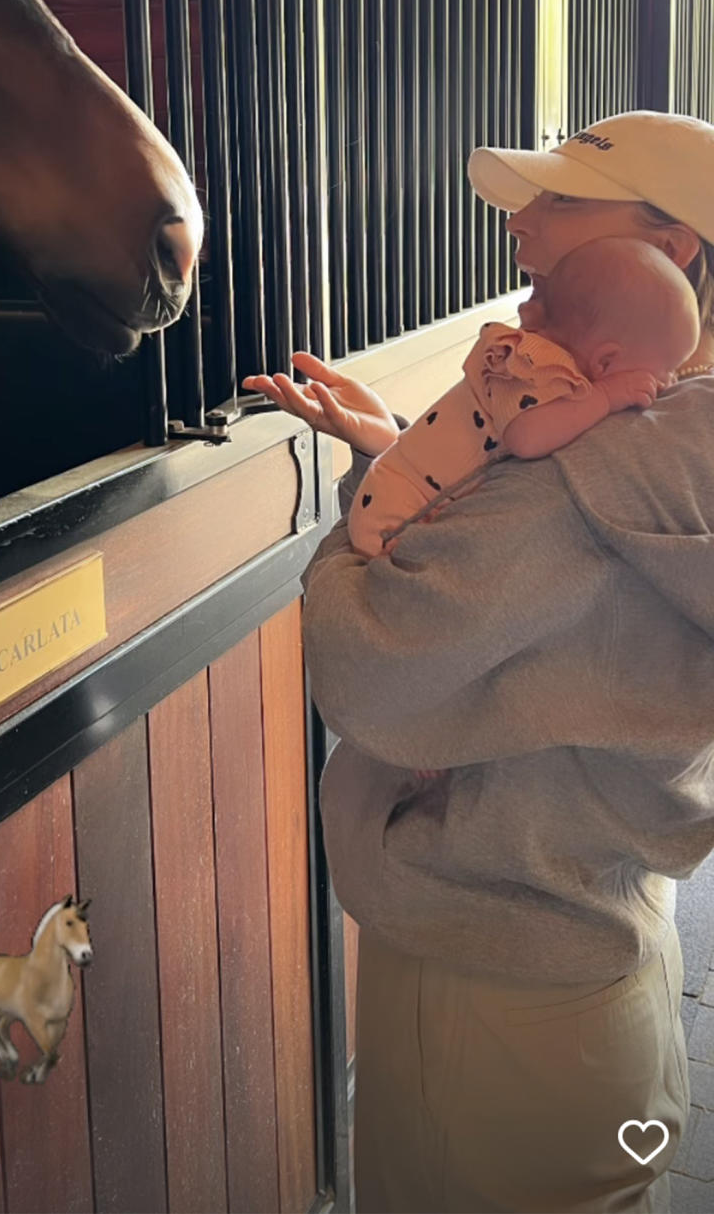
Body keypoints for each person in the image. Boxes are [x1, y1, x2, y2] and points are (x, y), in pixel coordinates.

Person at [242, 109, 714, 1213]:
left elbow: (370, 663)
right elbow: (565, 596)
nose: (524, 224)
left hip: (496, 1002)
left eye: (561, 201)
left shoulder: (592, 473)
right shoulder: (661, 433)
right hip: (604, 961)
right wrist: (415, 450)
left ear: (676, 246)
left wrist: (369, 519)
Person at [348, 235, 700, 557]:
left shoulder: (563, 372)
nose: (668, 380)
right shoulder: (533, 365)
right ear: (606, 361)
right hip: (400, 506)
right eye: (665, 367)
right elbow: (526, 438)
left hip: (417, 496)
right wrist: (607, 396)